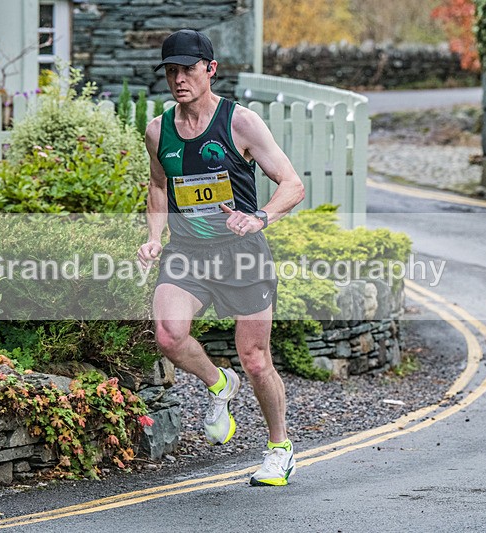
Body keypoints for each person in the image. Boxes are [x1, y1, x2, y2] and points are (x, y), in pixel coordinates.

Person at [137, 29, 305, 487]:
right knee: (169, 336)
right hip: (187, 252)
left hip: (241, 253)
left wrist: (260, 217)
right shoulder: (158, 131)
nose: (179, 79)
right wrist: (154, 237)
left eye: (188, 69)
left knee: (255, 359)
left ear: (210, 69)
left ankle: (280, 448)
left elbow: (292, 184)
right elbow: (158, 186)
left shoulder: (241, 123)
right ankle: (218, 383)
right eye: (171, 71)